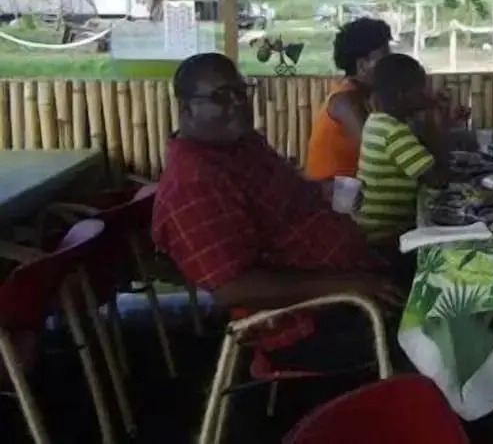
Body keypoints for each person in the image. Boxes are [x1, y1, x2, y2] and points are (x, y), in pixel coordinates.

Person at [152, 53, 402, 372]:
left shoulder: (243, 146)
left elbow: (285, 198)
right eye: (222, 96)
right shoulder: (194, 183)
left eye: (241, 92)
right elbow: (234, 288)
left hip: (354, 276)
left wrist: (321, 189)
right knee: (435, 329)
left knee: (440, 272)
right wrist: (350, 283)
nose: (238, 103)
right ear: (186, 108)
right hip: (308, 321)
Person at [355, 53, 449, 244]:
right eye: (421, 90)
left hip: (368, 227)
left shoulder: (376, 121)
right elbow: (439, 180)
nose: (427, 95)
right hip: (384, 236)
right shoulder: (395, 132)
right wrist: (437, 126)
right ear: (402, 95)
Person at [305, 17, 392, 179]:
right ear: (362, 65)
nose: (392, 67)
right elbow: (377, 152)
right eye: (385, 60)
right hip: (333, 192)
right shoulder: (345, 102)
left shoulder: (365, 95)